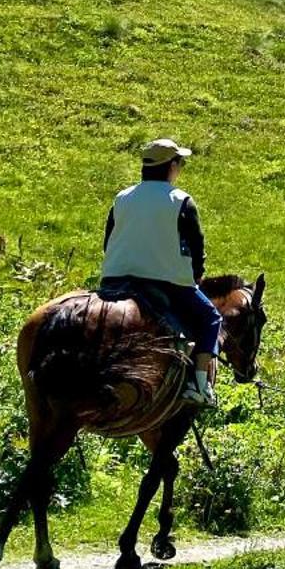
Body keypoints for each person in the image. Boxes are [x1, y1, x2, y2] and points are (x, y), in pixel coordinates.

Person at [100, 139, 222, 408]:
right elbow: (197, 250)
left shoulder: (122, 197)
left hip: (113, 280)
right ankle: (200, 385)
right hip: (165, 284)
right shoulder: (181, 202)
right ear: (172, 166)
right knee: (211, 317)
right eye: (181, 162)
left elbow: (108, 243)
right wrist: (194, 278)